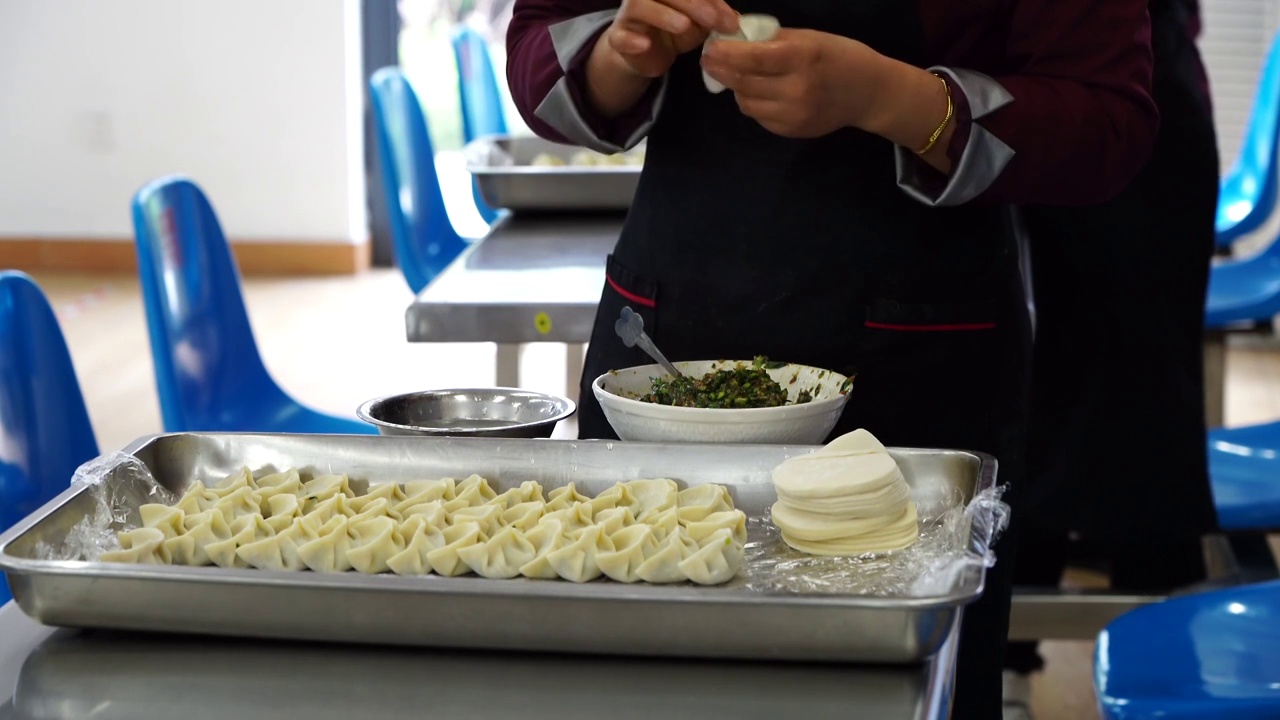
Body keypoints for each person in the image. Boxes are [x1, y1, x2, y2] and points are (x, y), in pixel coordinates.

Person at [506, 1, 1159, 717]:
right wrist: (620, 57)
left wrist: (892, 100)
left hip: (918, 364)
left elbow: (1106, 124)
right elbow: (540, 47)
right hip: (669, 344)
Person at [1002, 0, 1220, 711]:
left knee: (1133, 388)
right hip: (1064, 89)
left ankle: (1167, 663)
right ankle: (1011, 649)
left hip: (1125, 104)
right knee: (1056, 383)